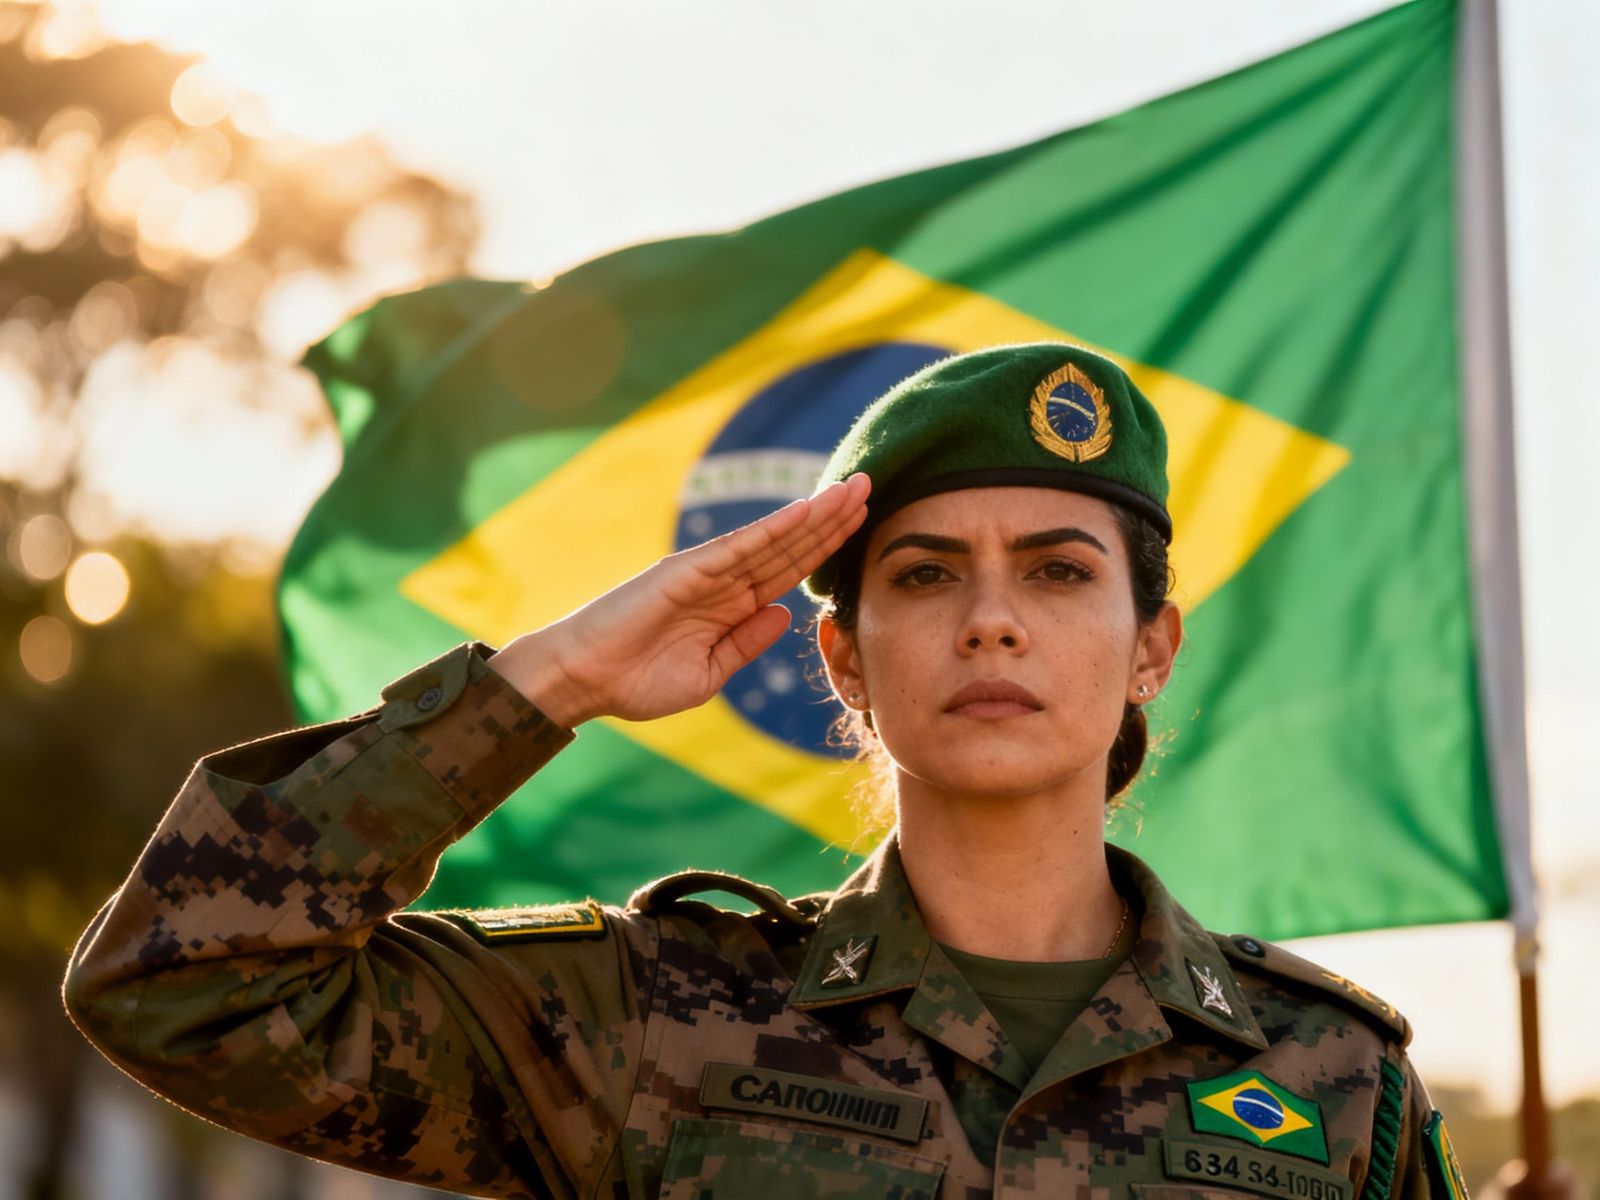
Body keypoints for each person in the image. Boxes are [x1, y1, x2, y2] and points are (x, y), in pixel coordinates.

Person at [63, 343, 1469, 1200]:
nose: (993, 617)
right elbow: (187, 984)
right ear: (845, 663)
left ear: (1149, 647)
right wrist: (554, 680)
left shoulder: (1329, 1075)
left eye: (1057, 571)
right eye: (925, 576)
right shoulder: (660, 1015)